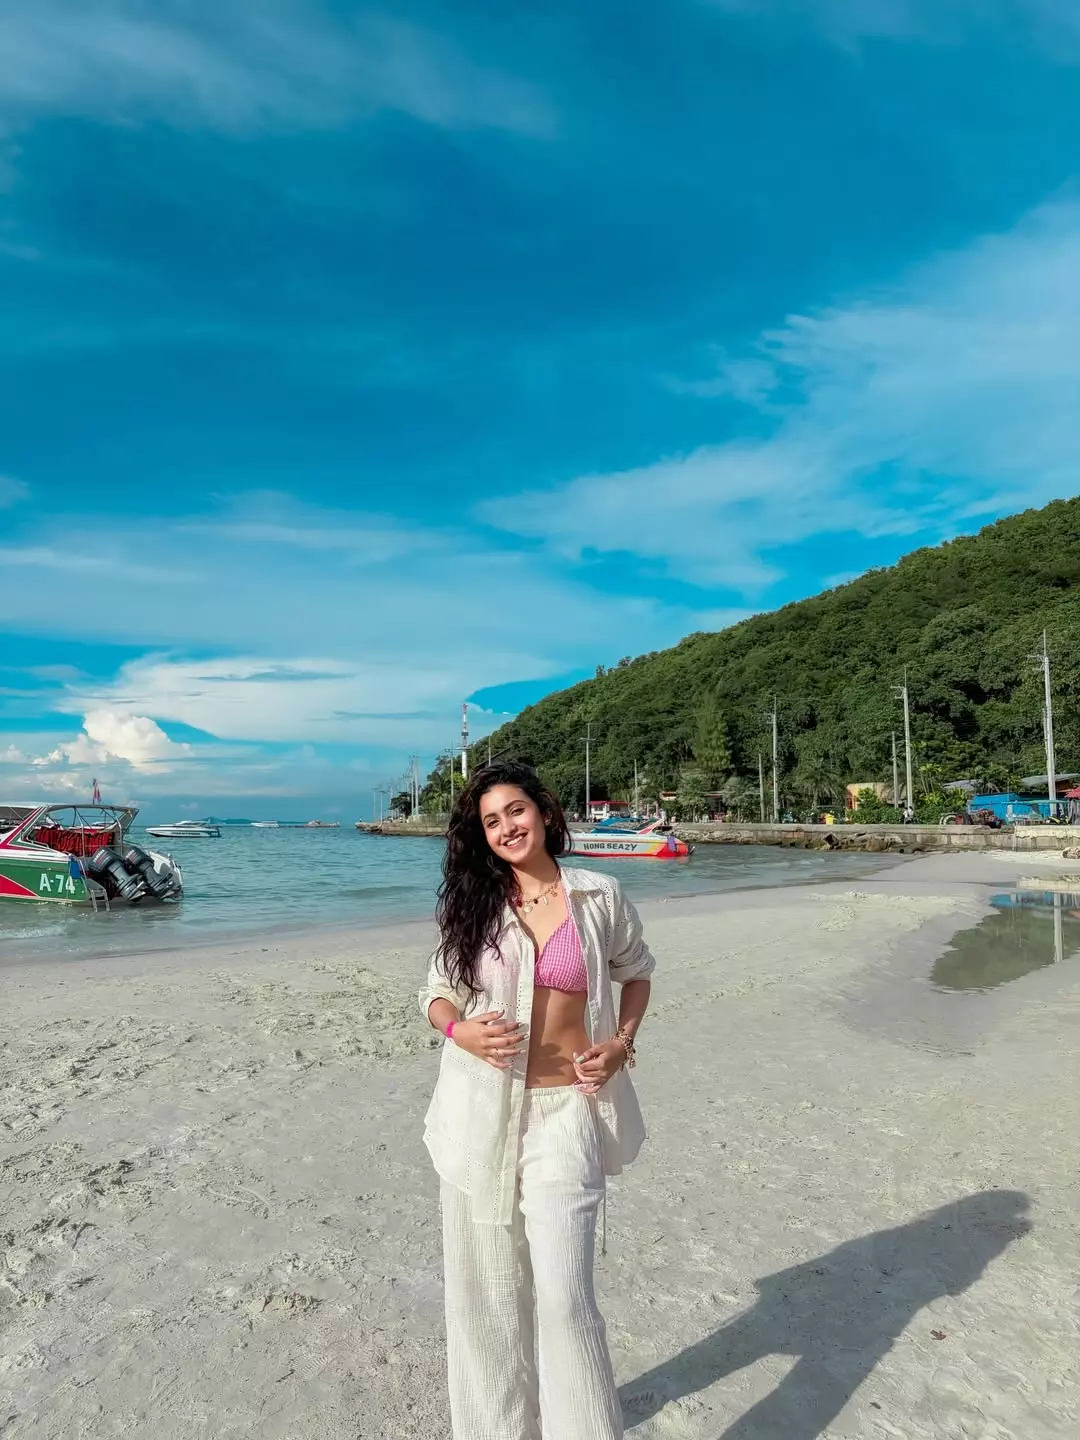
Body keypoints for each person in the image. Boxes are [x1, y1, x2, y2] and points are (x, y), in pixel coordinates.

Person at [419, 761, 655, 1439]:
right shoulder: (474, 906)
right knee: (486, 1295)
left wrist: (621, 1043)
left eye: (515, 811)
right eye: (491, 821)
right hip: (481, 1113)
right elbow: (435, 994)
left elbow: (637, 974)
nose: (506, 828)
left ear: (545, 811)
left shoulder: (599, 896)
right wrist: (460, 1030)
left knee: (566, 1300)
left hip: (567, 1112)